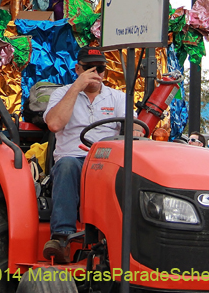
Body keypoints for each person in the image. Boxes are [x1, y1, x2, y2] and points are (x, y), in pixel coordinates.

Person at [41, 47, 133, 262]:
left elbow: (133, 131)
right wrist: (77, 88)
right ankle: (62, 237)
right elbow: (54, 124)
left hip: (107, 159)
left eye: (100, 69)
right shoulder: (61, 93)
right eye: (90, 68)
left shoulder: (118, 97)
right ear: (78, 69)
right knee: (67, 166)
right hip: (74, 158)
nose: (96, 73)